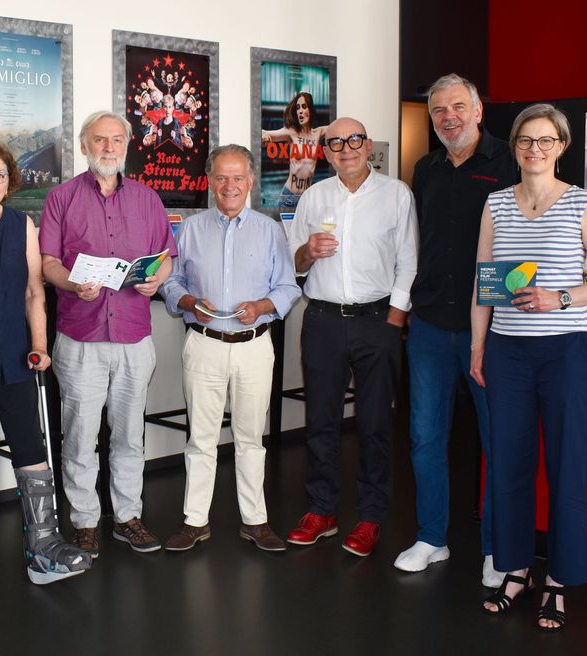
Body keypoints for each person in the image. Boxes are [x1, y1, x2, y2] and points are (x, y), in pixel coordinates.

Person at [472, 104, 587, 631]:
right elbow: (485, 283)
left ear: (562, 147)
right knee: (508, 465)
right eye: (525, 141)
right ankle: (516, 569)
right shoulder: (496, 203)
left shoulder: (582, 203)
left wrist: (560, 297)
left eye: (545, 141)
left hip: (566, 353)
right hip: (508, 352)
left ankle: (558, 578)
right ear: (514, 147)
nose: (534, 150)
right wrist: (478, 347)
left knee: (566, 466)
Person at [0, 142, 92, 583]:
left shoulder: (22, 225)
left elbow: (34, 291)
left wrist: (40, 345)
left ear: (10, 182)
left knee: (30, 446)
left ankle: (43, 542)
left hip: (16, 355)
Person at [395, 74, 517, 587]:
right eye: (439, 110)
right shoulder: (425, 168)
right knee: (425, 437)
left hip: (489, 326)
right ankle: (432, 538)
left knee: (497, 440)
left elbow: (518, 248)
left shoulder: (510, 162)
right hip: (429, 324)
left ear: (479, 109)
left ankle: (497, 549)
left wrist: (490, 317)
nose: (449, 117)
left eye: (458, 106)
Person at [40, 110, 177, 556]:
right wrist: (71, 283)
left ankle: (127, 516)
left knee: (129, 435)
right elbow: (48, 262)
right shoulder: (61, 198)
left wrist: (157, 279)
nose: (109, 147)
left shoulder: (148, 199)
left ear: (127, 145)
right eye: (100, 140)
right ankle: (84, 521)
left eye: (117, 139)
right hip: (81, 338)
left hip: (134, 337)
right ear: (84, 146)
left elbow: (166, 256)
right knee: (80, 436)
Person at [286, 117, 418, 558]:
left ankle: (371, 516)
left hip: (377, 321)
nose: (347, 149)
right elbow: (293, 260)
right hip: (322, 321)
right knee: (321, 421)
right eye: (337, 143)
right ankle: (321, 511)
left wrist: (396, 317)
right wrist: (307, 252)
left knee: (375, 423)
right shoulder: (314, 196)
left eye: (355, 140)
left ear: (368, 144)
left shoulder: (396, 194)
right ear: (326, 152)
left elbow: (409, 260)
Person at [160, 144, 300, 553]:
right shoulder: (190, 229)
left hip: (254, 346)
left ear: (251, 181)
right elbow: (171, 282)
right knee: (201, 439)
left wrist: (262, 307)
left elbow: (288, 286)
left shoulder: (270, 230)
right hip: (204, 346)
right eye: (221, 177)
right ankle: (195, 522)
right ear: (209, 181)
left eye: (238, 177)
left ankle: (255, 521)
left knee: (250, 439)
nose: (230, 186)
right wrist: (189, 302)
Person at [261, 91, 328, 207]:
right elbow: (265, 133)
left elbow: (338, 126)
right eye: (298, 108)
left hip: (306, 198)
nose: (300, 111)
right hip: (288, 197)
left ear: (311, 110)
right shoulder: (291, 132)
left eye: (304, 107)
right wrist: (264, 136)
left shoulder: (318, 133)